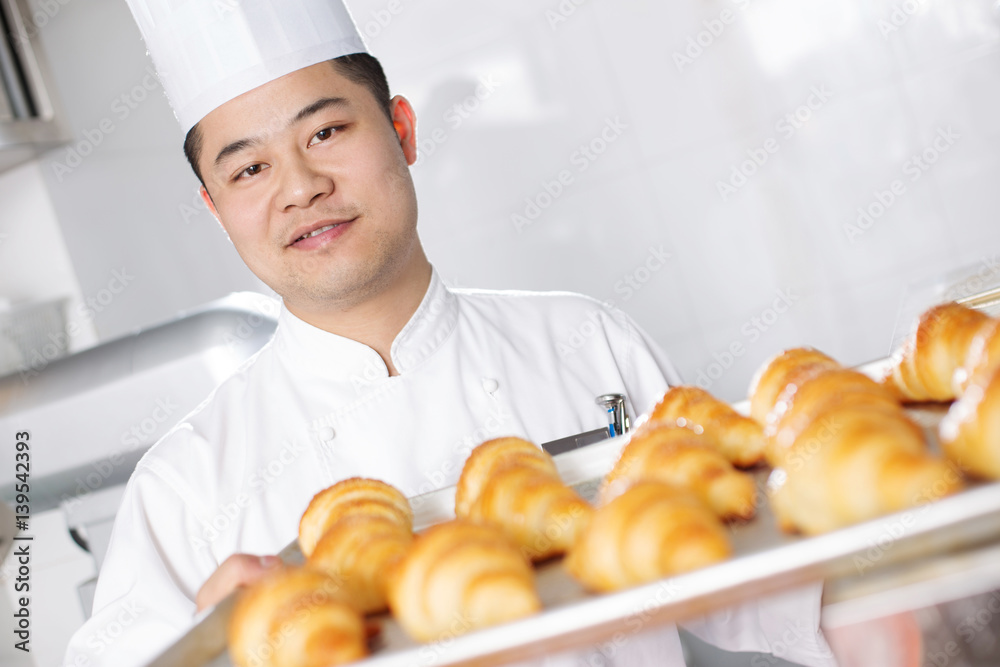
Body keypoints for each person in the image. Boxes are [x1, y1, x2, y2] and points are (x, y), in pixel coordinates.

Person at [62, 2, 835, 666]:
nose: (301, 186)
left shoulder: (585, 340)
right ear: (215, 210)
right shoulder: (184, 486)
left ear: (402, 129)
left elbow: (766, 574)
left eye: (327, 131)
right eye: (248, 170)